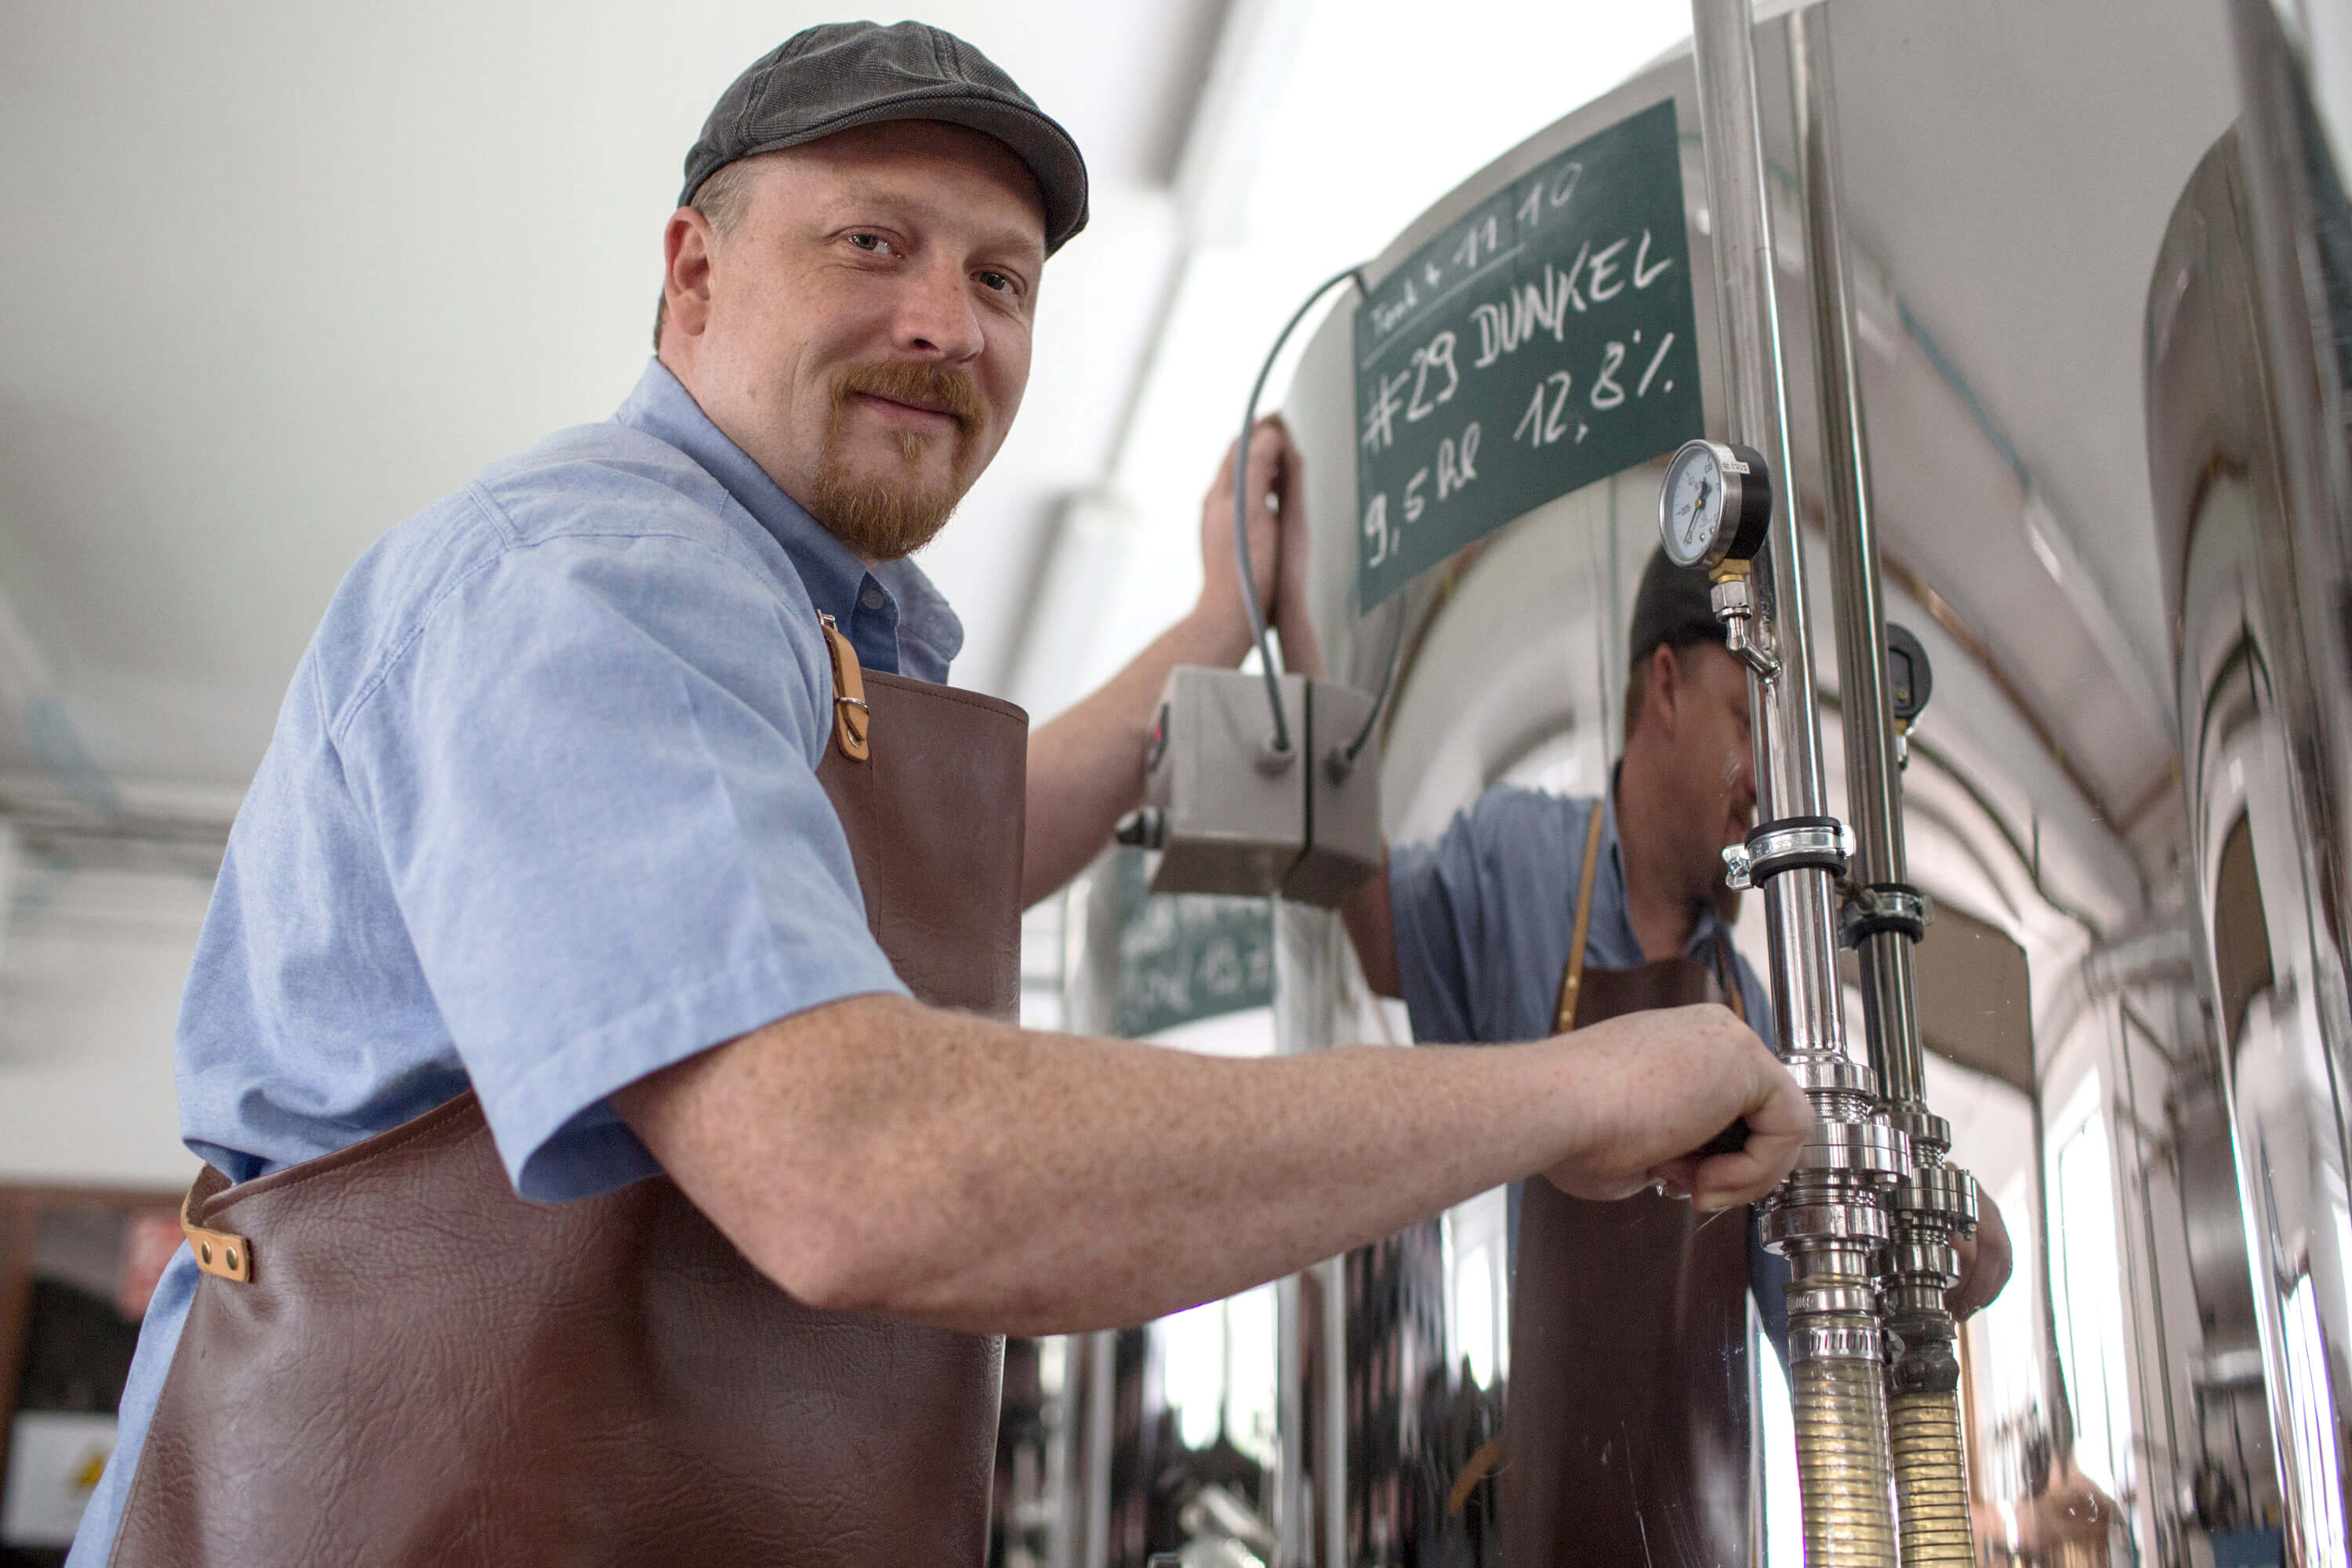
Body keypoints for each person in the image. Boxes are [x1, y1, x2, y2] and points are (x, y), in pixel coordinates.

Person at [71, 24, 1809, 1567]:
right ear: (691, 274)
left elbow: (973, 856)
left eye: (1002, 282)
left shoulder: (783, 615)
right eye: (871, 244)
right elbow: (862, 1168)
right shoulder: (589, 581)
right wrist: (1571, 1093)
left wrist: (1214, 631)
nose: (945, 322)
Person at [1338, 546, 2013, 1558]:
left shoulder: (1756, 1014)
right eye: (1748, 724)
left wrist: (1934, 1268)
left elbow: (1822, 1320)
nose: (1763, 787)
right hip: (1545, 1521)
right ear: (1664, 685)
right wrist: (1309, 671)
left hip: (1707, 1539)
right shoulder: (1521, 860)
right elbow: (1381, 935)